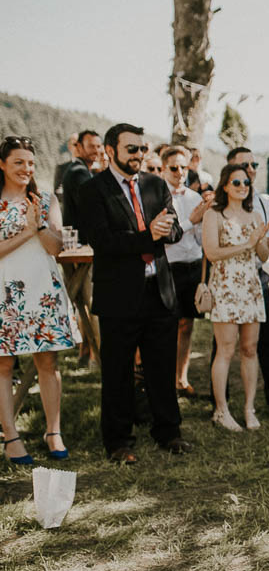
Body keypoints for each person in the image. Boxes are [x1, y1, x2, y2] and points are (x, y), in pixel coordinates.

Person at [78, 123, 190, 463]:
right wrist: (150, 235)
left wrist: (166, 232)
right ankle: (118, 441)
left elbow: (176, 230)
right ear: (110, 151)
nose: (139, 155)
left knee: (161, 367)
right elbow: (103, 241)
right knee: (117, 371)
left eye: (142, 149)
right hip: (119, 295)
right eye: (131, 149)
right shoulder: (93, 190)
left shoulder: (156, 184)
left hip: (159, 290)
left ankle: (168, 432)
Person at [0, 136, 80, 464]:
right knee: (4, 364)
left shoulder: (45, 200)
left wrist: (41, 226)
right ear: (2, 164)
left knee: (48, 362)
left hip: (43, 292)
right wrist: (27, 232)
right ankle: (11, 435)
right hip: (5, 293)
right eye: (19, 162)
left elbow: (56, 247)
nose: (26, 168)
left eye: (30, 163)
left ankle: (53, 430)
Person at [221, 147, 269, 409]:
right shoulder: (219, 206)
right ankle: (219, 400)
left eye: (254, 164)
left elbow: (266, 243)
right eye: (244, 165)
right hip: (228, 281)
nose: (251, 170)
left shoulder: (264, 201)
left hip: (257, 277)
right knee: (223, 345)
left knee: (266, 341)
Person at [203, 164, 269, 432]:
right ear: (226, 186)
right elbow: (212, 253)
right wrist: (247, 243)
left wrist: (261, 241)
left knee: (250, 349)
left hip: (251, 287)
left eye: (246, 183)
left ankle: (249, 408)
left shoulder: (254, 215)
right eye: (237, 182)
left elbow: (263, 255)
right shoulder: (214, 215)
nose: (243, 186)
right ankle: (221, 410)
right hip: (226, 287)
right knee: (226, 349)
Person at [162, 146, 211, 396]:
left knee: (187, 325)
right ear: (163, 168)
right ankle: (165, 379)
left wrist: (202, 222)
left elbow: (200, 238)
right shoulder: (158, 197)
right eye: (174, 167)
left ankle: (182, 378)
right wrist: (191, 221)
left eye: (183, 167)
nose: (180, 172)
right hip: (169, 267)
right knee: (169, 325)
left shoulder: (194, 197)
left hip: (192, 265)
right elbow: (168, 237)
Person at [60, 129, 103, 366]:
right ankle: (97, 355)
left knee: (85, 303)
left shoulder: (81, 171)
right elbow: (93, 208)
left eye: (99, 146)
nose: (96, 150)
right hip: (84, 248)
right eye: (91, 146)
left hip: (81, 247)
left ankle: (89, 352)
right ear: (79, 147)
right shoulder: (79, 173)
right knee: (91, 301)